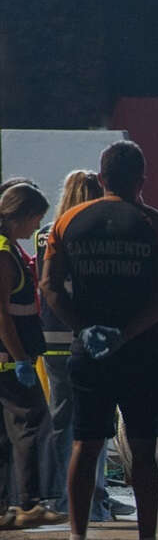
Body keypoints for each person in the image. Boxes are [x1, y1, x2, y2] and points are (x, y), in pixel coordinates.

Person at [40, 142, 158, 540]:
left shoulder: (67, 222)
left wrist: (85, 327)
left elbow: (48, 286)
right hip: (142, 351)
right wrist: (126, 333)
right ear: (142, 178)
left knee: (85, 443)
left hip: (90, 350)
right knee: (143, 448)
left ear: (101, 179)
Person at [34, 170, 120, 521]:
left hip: (51, 335)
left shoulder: (44, 234)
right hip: (87, 337)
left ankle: (59, 495)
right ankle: (94, 498)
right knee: (94, 421)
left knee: (60, 419)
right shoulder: (96, 232)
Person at [0, 182, 50, 512]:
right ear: (23, 216)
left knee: (5, 437)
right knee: (32, 422)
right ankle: (29, 502)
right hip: (9, 361)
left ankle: (6, 506)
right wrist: (20, 359)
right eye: (36, 219)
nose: (37, 227)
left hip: (11, 358)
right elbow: (2, 313)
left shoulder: (11, 249)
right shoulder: (4, 254)